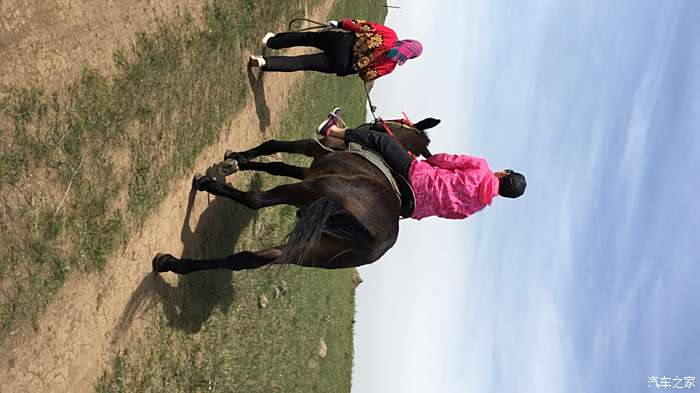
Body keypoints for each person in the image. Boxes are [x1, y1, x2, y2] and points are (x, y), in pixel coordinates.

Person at [317, 114, 527, 220]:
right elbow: (447, 214)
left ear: (503, 174)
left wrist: (429, 162)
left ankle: (333, 130)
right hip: (413, 208)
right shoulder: (477, 207)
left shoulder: (482, 167)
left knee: (381, 140)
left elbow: (448, 160)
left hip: (416, 177)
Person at [249, 19, 422, 81]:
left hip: (342, 42)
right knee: (303, 63)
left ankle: (271, 42)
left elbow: (363, 26)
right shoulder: (391, 66)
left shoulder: (391, 35)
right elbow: (367, 75)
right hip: (344, 64)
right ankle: (264, 62)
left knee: (308, 38)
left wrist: (340, 24)